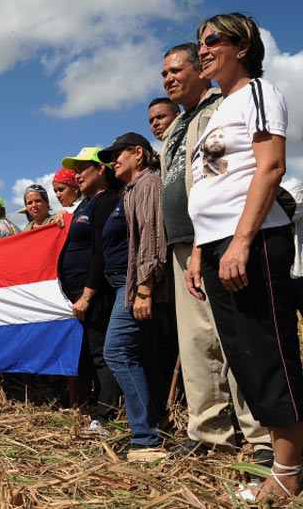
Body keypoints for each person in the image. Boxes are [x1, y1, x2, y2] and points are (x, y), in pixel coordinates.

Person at [187, 13, 303, 500]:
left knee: (268, 353)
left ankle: (289, 472)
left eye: (212, 39)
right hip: (215, 246)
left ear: (241, 46)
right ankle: (285, 460)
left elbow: (270, 165)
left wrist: (240, 241)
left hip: (250, 243)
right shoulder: (218, 109)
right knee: (243, 357)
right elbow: (212, 185)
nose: (203, 50)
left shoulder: (259, 92)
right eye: (200, 43)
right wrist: (199, 249)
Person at [159, 42, 270, 460]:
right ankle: (210, 433)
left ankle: (261, 435)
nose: (168, 78)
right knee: (196, 343)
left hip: (216, 240)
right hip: (182, 246)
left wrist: (218, 240)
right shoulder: (177, 125)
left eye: (176, 70)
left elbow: (224, 180)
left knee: (236, 337)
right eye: (163, 74)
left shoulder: (218, 111)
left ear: (200, 72)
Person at [97, 132, 170, 456]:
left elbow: (154, 239)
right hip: (131, 286)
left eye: (117, 155)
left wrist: (144, 289)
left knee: (116, 352)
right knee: (141, 355)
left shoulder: (148, 185)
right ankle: (154, 426)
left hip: (137, 288)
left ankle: (145, 438)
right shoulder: (132, 189)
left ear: (138, 153)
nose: (113, 161)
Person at [59, 147, 121, 435]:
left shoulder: (106, 201)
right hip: (79, 294)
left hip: (96, 293)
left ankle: (107, 416)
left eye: (83, 168)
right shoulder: (85, 204)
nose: (77, 174)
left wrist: (87, 294)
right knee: (91, 353)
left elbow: (100, 252)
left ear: (101, 170)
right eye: (76, 169)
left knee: (102, 352)